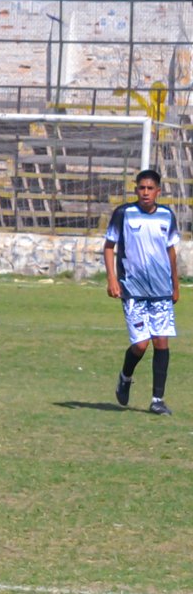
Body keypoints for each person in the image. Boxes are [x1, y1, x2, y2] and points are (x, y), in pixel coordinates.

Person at [104, 169, 179, 415]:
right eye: (141, 188)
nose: (145, 192)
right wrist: (112, 279)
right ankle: (125, 377)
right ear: (136, 189)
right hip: (133, 289)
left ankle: (158, 400)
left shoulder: (167, 216)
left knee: (161, 341)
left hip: (161, 290)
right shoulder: (124, 213)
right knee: (140, 345)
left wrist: (175, 285)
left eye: (150, 188)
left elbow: (170, 251)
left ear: (158, 191)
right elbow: (109, 246)